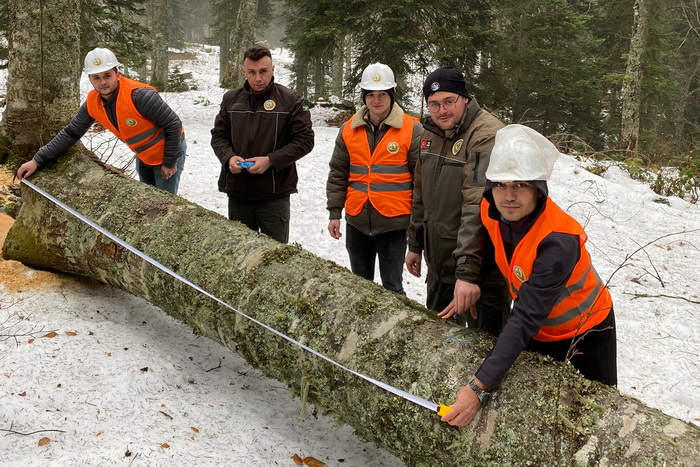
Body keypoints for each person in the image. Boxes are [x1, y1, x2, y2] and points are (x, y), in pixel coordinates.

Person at [441, 124, 617, 428]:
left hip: (587, 330)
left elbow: (523, 318)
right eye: (500, 184)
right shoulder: (489, 206)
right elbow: (490, 246)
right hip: (540, 329)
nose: (508, 196)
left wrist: (477, 388)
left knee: (597, 416)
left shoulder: (557, 241)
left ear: (538, 189)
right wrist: (471, 278)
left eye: (520, 185)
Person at [405, 67, 511, 334]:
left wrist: (468, 274)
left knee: (486, 353)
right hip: (441, 266)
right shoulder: (429, 134)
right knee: (436, 343)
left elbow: (477, 206)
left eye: (449, 101)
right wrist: (415, 243)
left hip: (481, 276)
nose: (442, 111)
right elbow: (421, 194)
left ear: (464, 98)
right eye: (434, 104)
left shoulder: (486, 135)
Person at [16, 48, 187, 195]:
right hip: (144, 156)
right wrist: (37, 160)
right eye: (96, 78)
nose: (103, 82)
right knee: (150, 198)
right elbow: (71, 133)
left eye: (107, 75)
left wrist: (170, 162)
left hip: (169, 152)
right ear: (90, 79)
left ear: (117, 74)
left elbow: (173, 125)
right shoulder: (93, 103)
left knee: (165, 203)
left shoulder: (140, 96)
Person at [326, 63, 423, 294]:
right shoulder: (349, 129)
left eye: (382, 94)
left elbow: (421, 183)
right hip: (357, 220)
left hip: (394, 224)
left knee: (392, 288)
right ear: (364, 97)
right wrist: (334, 212)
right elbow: (338, 172)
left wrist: (416, 227)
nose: (376, 100)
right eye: (370, 94)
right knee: (360, 287)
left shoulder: (412, 129)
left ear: (392, 95)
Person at [211, 45, 314, 243]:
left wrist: (270, 160)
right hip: (238, 193)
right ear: (244, 71)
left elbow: (305, 140)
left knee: (274, 260)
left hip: (274, 196)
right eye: (252, 72)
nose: (258, 78)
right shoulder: (231, 99)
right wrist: (228, 157)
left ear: (273, 69)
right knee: (240, 256)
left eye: (263, 71)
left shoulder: (291, 101)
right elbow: (218, 136)